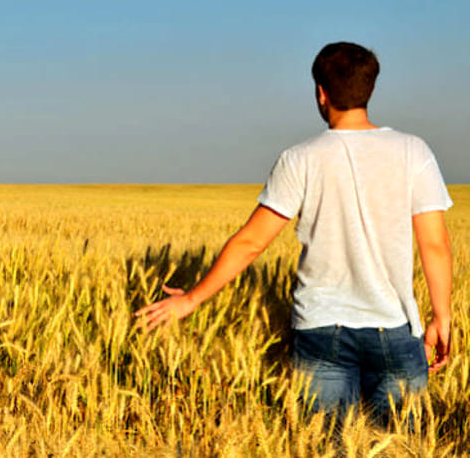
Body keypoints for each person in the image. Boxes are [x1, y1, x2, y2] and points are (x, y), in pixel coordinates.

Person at [136, 41, 453, 425]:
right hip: (396, 327)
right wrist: (442, 316)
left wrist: (192, 299)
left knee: (326, 445)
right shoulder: (413, 151)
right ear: (370, 89)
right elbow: (434, 245)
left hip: (321, 330)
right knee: (398, 446)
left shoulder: (300, 158)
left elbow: (251, 242)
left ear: (321, 93)